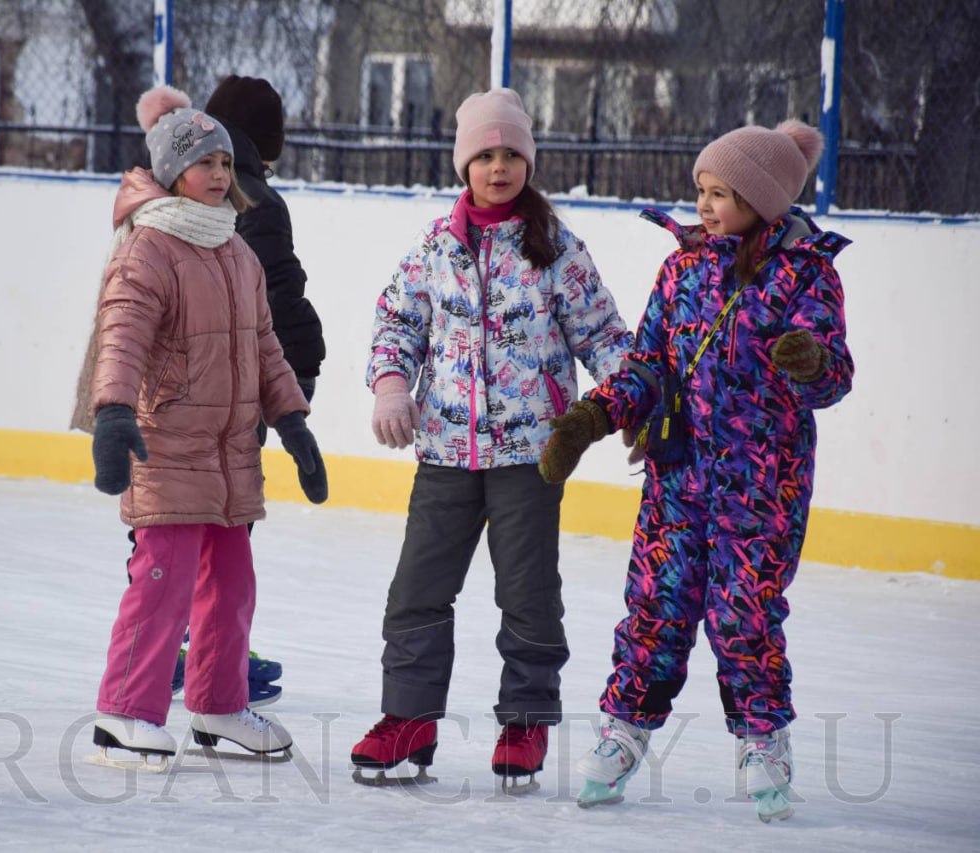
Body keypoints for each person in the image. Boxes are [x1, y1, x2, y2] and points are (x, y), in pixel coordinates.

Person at [540, 119, 854, 820]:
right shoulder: (681, 270)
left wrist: (810, 362)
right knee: (655, 608)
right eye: (702, 191)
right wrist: (592, 417)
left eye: (720, 193)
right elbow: (648, 365)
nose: (705, 206)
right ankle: (622, 733)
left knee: (745, 614)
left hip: (762, 489)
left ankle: (763, 741)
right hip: (677, 480)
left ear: (760, 198)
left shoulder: (808, 275)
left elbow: (834, 376)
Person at [350, 89, 633, 788]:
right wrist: (391, 384)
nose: (498, 167)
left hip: (530, 453)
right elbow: (397, 322)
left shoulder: (557, 247)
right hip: (446, 448)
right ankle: (409, 718)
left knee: (528, 592)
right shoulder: (436, 247)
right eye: (484, 155)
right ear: (464, 165)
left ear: (528, 163)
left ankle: (526, 721)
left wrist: (635, 401)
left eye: (511, 154)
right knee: (417, 589)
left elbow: (602, 334)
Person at [71, 85, 327, 764]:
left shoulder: (236, 251)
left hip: (230, 452)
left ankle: (218, 707)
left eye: (224, 163)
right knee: (163, 581)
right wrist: (113, 412)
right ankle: (123, 714)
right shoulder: (149, 249)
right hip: (168, 444)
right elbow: (122, 336)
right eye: (202, 163)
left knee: (232, 584)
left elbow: (266, 347)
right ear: (170, 172)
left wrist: (292, 420)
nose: (218, 173)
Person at [153, 75, 327, 709]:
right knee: (223, 517)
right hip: (234, 385)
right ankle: (207, 650)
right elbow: (274, 294)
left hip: (177, 386)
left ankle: (183, 646)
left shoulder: (172, 189)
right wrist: (303, 361)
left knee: (175, 517)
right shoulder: (258, 199)